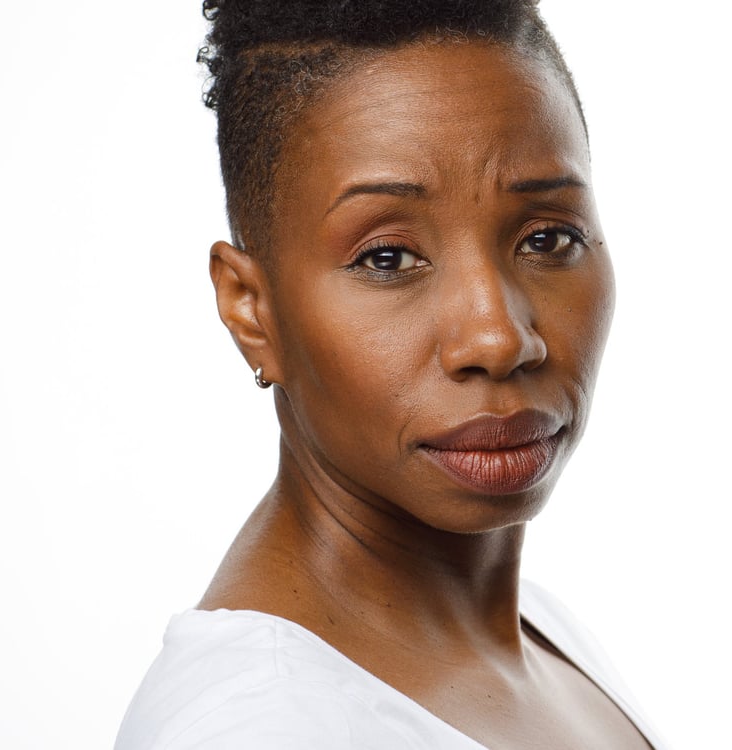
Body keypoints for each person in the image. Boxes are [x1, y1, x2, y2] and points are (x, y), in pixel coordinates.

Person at [116, 1, 669, 747]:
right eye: (387, 258)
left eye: (547, 237)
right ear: (251, 308)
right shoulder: (258, 725)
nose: (500, 338)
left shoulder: (534, 632)